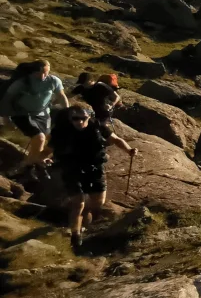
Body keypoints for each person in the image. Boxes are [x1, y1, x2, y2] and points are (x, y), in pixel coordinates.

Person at [45, 105, 137, 249]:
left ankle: (84, 226)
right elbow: (48, 150)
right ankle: (75, 235)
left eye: (83, 118)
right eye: (75, 118)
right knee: (78, 203)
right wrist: (43, 158)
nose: (80, 122)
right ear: (70, 119)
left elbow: (117, 140)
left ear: (89, 117)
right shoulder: (62, 132)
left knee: (97, 203)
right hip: (72, 168)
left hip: (94, 169)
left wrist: (129, 150)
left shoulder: (98, 128)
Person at [0, 59, 69, 175]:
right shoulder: (22, 82)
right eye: (40, 72)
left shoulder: (53, 81)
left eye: (46, 72)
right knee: (39, 138)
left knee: (53, 139)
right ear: (32, 71)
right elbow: (7, 99)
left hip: (43, 114)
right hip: (22, 114)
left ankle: (33, 161)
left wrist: (67, 111)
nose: (43, 76)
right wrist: (6, 117)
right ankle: (25, 167)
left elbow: (62, 96)